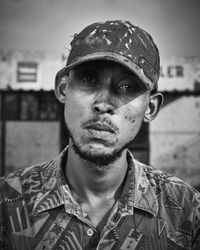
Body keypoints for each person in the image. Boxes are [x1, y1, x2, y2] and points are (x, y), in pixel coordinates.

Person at [0, 20, 200, 250]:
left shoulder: (187, 212)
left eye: (128, 87)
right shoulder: (6, 204)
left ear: (151, 108)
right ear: (63, 89)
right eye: (88, 79)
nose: (103, 104)